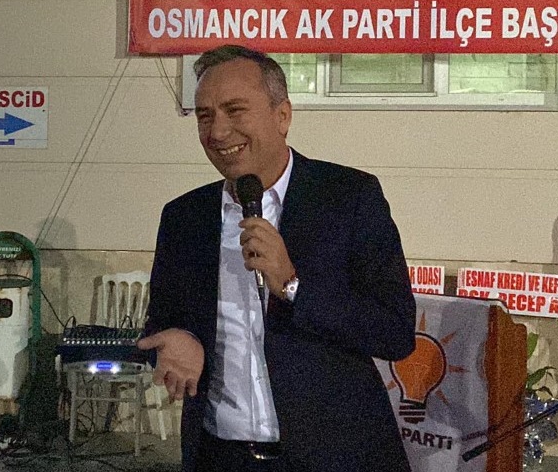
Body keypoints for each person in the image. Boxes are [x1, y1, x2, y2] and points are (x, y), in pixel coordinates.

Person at [136, 45, 417, 472]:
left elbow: (394, 333)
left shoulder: (349, 198)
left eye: (234, 110)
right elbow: (161, 325)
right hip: (221, 457)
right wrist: (177, 340)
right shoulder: (184, 218)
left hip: (334, 457)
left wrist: (293, 286)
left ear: (282, 116)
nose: (218, 132)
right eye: (205, 116)